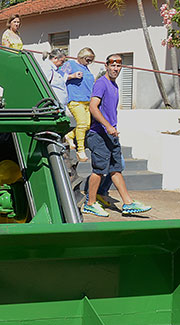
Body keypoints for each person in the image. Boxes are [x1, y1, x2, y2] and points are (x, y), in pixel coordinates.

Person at [82, 54, 152, 218]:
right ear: (106, 66)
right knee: (99, 170)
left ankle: (128, 204)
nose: (115, 69)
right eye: (112, 66)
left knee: (116, 169)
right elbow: (93, 107)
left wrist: (112, 128)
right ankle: (90, 204)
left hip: (111, 134)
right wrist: (107, 126)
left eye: (118, 66)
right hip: (99, 135)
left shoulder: (114, 85)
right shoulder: (101, 83)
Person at [64, 47, 96, 161]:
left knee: (86, 125)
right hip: (75, 100)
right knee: (82, 124)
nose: (89, 62)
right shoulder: (70, 64)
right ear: (81, 57)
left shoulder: (86, 68)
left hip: (87, 101)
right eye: (88, 60)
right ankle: (80, 151)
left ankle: (69, 136)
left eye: (91, 60)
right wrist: (72, 76)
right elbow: (58, 77)